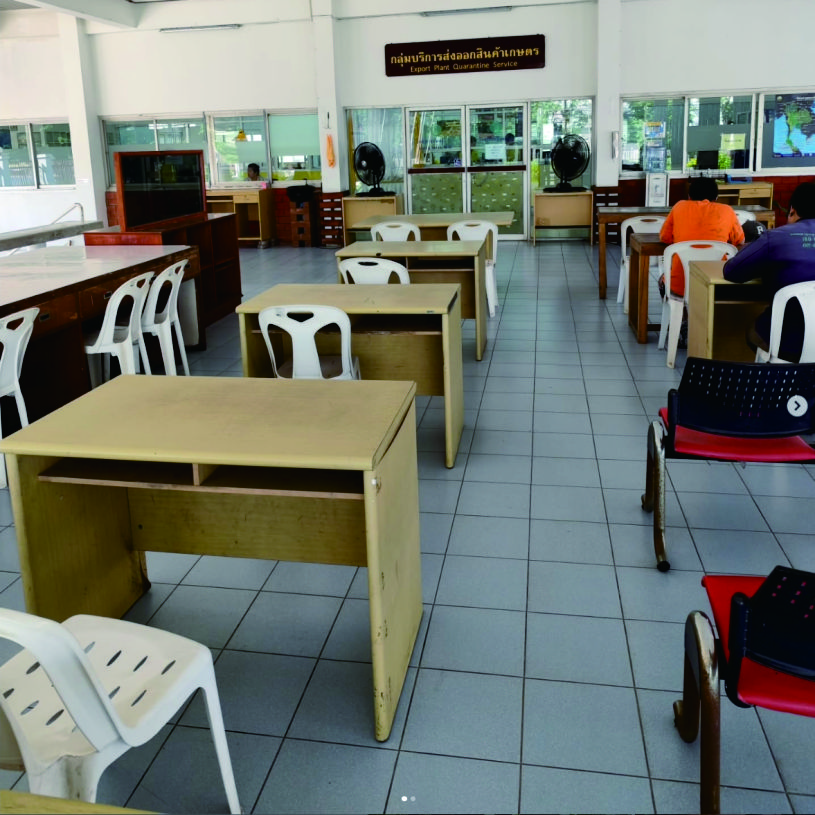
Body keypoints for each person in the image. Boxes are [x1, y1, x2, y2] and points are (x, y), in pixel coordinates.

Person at [723, 181, 815, 360]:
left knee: (754, 332)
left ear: (792, 211)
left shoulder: (775, 237)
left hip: (788, 339)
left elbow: (732, 271)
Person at [659, 176, 745, 299]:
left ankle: (679, 310)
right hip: (715, 287)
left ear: (689, 196)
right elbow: (740, 240)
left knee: (663, 279)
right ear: (716, 198)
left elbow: (664, 237)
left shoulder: (679, 207)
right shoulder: (727, 211)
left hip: (679, 287)